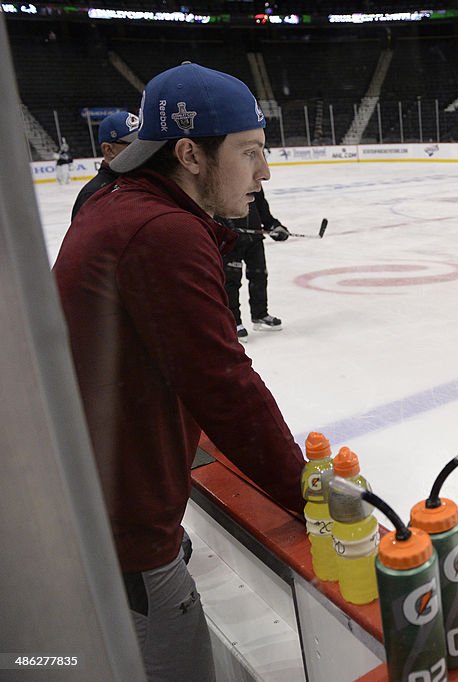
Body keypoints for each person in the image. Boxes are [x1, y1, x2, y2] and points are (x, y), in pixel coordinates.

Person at [51, 62, 306, 682]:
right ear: (190, 153)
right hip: (124, 531)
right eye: (250, 154)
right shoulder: (160, 232)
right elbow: (225, 386)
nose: (264, 173)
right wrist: (310, 492)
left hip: (94, 502)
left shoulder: (116, 199)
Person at [218, 187, 290, 341]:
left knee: (259, 276)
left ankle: (260, 315)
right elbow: (210, 208)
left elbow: (262, 206)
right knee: (231, 282)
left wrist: (273, 226)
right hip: (230, 241)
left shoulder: (252, 180)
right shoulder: (221, 177)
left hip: (254, 240)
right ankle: (234, 322)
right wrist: (222, 228)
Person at [71, 111, 140, 218]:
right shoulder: (93, 195)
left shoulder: (148, 178)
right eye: (134, 144)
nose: (143, 148)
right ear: (108, 150)